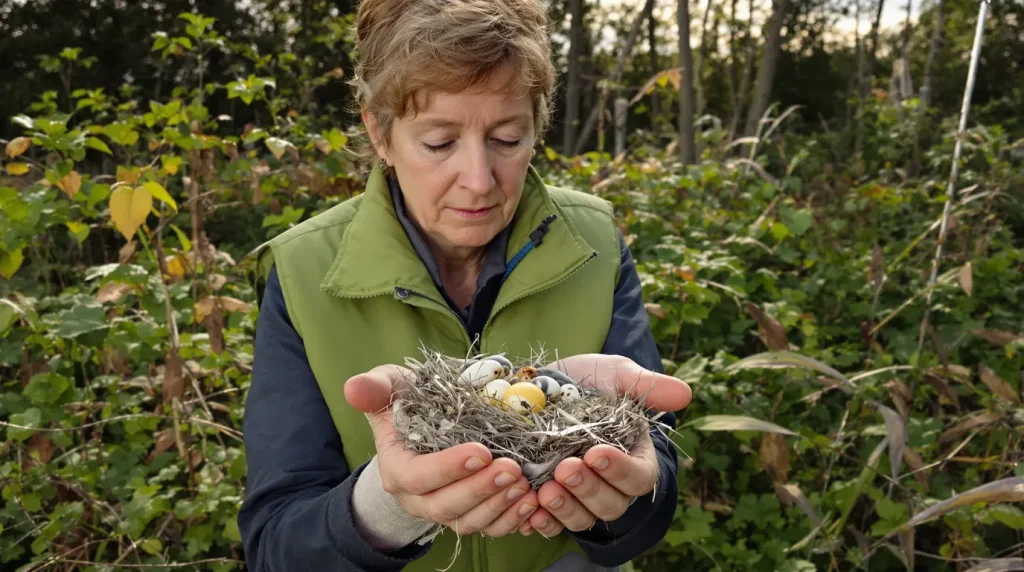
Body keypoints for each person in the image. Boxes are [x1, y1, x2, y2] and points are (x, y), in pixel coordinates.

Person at [236, 0, 693, 570]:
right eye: (439, 143)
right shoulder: (304, 272)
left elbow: (655, 485)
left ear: (536, 126)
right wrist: (386, 507)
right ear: (379, 131)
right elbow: (277, 544)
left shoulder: (594, 243)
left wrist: (624, 501)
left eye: (507, 139)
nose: (479, 182)